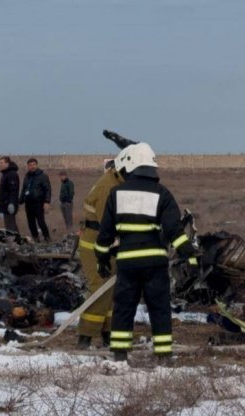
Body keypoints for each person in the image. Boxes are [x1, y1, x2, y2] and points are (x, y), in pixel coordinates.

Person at [95, 143, 197, 362]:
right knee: (159, 309)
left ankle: (120, 355)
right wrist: (189, 254)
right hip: (155, 264)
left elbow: (104, 234)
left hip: (127, 264)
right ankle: (163, 355)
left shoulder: (116, 194)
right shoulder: (163, 193)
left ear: (129, 164)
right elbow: (174, 231)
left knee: (123, 308)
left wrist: (102, 259)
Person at [76, 160, 124, 349]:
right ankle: (86, 335)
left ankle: (108, 333)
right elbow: (109, 222)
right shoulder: (108, 188)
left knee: (111, 291)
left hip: (106, 243)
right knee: (100, 288)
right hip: (96, 244)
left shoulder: (114, 182)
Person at [19, 158, 52, 242]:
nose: (32, 166)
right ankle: (36, 239)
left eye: (33, 164)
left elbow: (47, 189)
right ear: (28, 166)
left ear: (36, 165)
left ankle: (47, 238)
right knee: (31, 223)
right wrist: (20, 200)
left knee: (41, 222)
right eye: (30, 165)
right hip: (28, 203)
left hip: (38, 203)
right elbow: (24, 189)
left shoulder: (42, 176)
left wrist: (47, 202)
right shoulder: (27, 177)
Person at [0, 156, 20, 233]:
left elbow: (13, 190)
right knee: (10, 224)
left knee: (10, 226)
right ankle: (18, 239)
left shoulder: (12, 174)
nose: (0, 165)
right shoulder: (6, 174)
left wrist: (11, 203)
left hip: (9, 204)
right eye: (0, 163)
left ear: (7, 163)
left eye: (2, 163)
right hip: (5, 203)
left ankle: (13, 241)